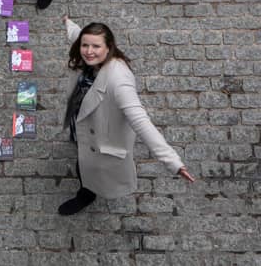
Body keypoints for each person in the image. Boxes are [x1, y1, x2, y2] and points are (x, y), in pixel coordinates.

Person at [58, 16, 195, 215]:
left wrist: (172, 162)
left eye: (95, 46)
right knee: (81, 153)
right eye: (85, 45)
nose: (88, 51)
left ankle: (86, 194)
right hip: (82, 122)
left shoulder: (119, 79)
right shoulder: (87, 57)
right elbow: (76, 35)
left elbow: (141, 121)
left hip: (99, 134)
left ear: (109, 47)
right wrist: (68, 23)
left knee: (87, 166)